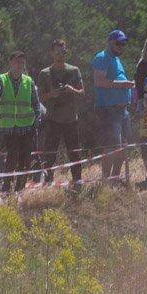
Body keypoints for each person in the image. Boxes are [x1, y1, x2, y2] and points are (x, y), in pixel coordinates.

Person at [37, 39, 84, 186]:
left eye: (63, 51)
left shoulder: (74, 70)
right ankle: (47, 182)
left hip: (71, 119)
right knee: (50, 153)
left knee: (74, 152)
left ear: (66, 52)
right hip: (53, 119)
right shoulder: (44, 73)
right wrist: (51, 94)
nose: (60, 55)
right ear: (52, 53)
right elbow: (39, 97)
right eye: (57, 51)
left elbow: (82, 92)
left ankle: (77, 181)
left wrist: (72, 90)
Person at [92, 30, 135, 181]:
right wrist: (124, 84)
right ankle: (105, 180)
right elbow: (100, 81)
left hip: (122, 110)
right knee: (111, 146)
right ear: (110, 41)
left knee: (123, 146)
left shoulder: (116, 59)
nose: (121, 46)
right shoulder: (102, 57)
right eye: (118, 43)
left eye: (123, 43)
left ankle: (115, 179)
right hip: (108, 109)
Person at [0, 51, 42, 192]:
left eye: (22, 63)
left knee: (25, 158)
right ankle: (7, 186)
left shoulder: (29, 81)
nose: (20, 65)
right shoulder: (1, 79)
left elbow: (36, 103)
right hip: (9, 127)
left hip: (27, 127)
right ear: (10, 63)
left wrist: (37, 120)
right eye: (17, 62)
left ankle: (20, 186)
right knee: (11, 157)